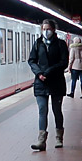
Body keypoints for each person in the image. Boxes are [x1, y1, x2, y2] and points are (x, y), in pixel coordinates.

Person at [27, 19, 67, 151]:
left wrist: (49, 71)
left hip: (56, 82)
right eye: (44, 29)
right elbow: (32, 60)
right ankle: (41, 140)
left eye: (48, 29)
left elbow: (63, 62)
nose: (46, 31)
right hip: (41, 82)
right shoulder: (38, 43)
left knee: (57, 110)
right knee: (42, 110)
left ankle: (58, 138)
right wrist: (39, 74)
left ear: (54, 30)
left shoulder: (61, 44)